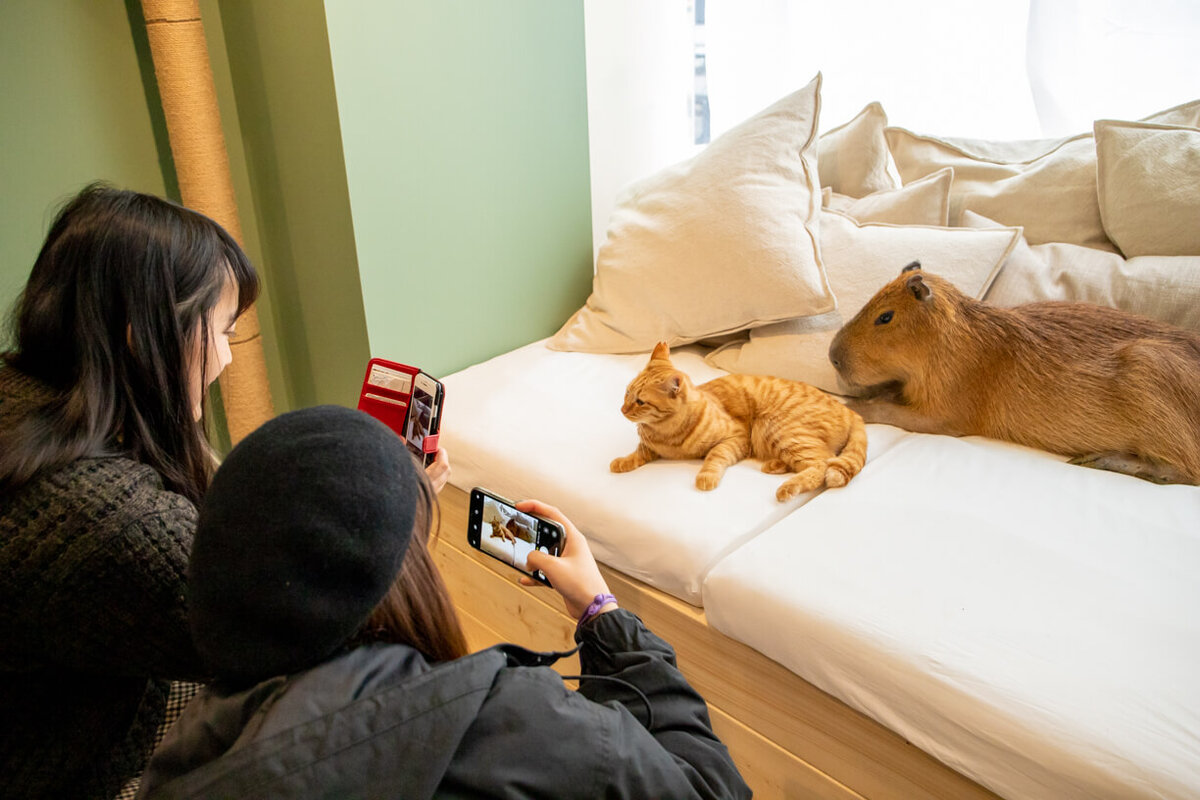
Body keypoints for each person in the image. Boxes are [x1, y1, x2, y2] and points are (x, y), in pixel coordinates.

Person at [0, 183, 450, 799]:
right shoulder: (113, 522)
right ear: (141, 338)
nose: (225, 361)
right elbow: (321, 621)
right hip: (75, 768)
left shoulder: (24, 396)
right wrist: (402, 506)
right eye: (221, 333)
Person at [136, 405, 752, 799]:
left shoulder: (187, 749)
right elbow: (712, 789)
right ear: (403, 580)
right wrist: (602, 614)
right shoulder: (521, 726)